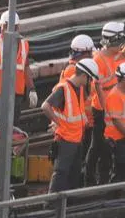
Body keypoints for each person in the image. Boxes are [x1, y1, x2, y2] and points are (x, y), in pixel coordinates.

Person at [42, 58, 98, 192]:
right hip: (66, 139)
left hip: (76, 139)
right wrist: (59, 123)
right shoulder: (64, 89)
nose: (90, 82)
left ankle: (70, 205)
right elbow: (45, 106)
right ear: (84, 75)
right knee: (61, 173)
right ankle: (50, 205)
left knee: (73, 174)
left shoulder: (77, 89)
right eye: (89, 79)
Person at [0, 10, 36, 130]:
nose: (6, 30)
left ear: (17, 27)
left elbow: (25, 68)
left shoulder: (24, 45)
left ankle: (10, 149)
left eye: (12, 27)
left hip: (16, 96)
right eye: (5, 27)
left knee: (13, 129)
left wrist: (32, 89)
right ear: (1, 27)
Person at [56, 34, 97, 186]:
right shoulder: (73, 71)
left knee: (77, 163)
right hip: (75, 127)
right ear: (84, 53)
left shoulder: (74, 68)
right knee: (68, 166)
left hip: (81, 124)